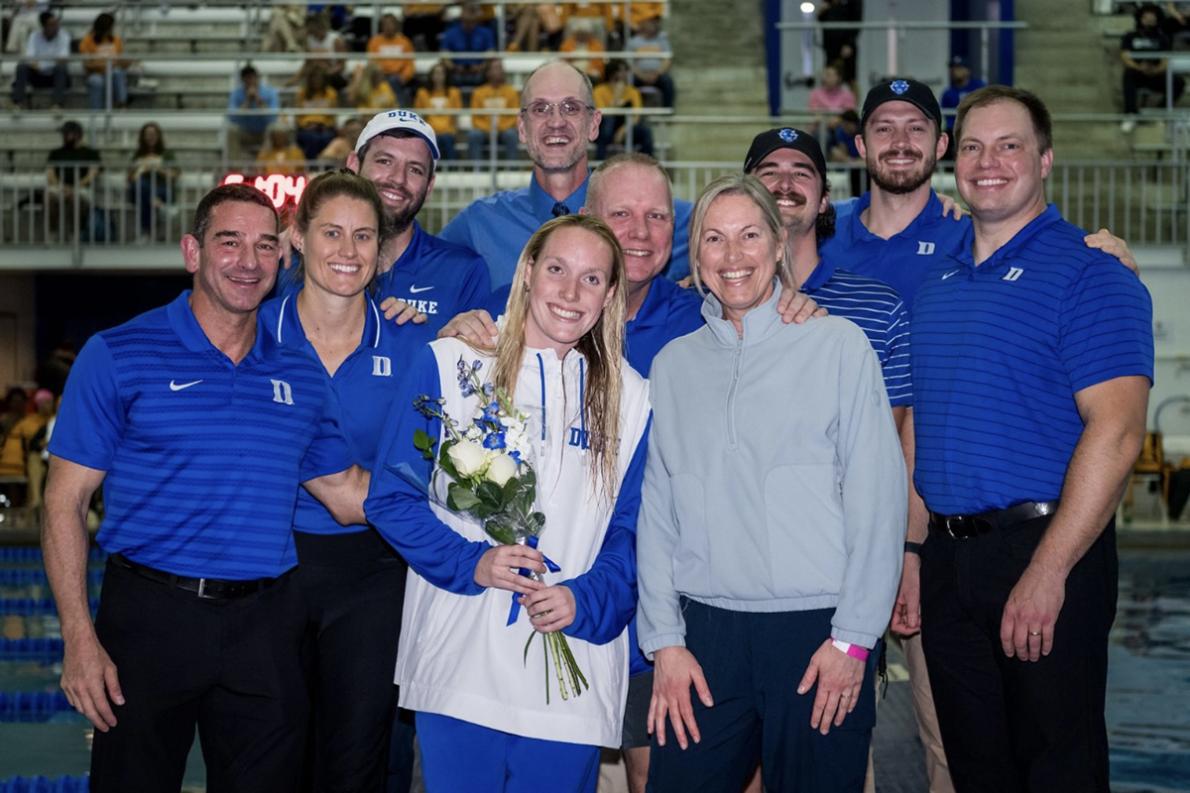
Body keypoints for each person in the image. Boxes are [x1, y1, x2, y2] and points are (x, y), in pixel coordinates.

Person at [42, 183, 369, 792]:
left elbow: (347, 494)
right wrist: (79, 638)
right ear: (192, 252)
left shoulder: (298, 372)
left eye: (265, 245)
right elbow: (64, 501)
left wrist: (457, 491)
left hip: (266, 623)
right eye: (230, 242)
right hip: (149, 616)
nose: (249, 261)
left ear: (282, 258)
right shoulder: (118, 353)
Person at [913, 85, 1153, 793]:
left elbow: (1118, 431)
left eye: (1009, 146)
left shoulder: (1092, 272)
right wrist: (916, 554)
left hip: (1046, 548)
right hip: (949, 560)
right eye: (973, 146)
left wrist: (1049, 571)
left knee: (1057, 771)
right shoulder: (937, 282)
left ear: (1045, 160)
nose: (988, 162)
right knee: (977, 771)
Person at [365, 213, 652, 792]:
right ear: (527, 273)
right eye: (556, 270)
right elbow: (391, 498)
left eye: (592, 279)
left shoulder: (633, 398)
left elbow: (634, 533)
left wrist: (584, 598)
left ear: (610, 296)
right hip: (460, 661)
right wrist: (471, 561)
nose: (571, 293)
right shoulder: (452, 363)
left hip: (569, 674)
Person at [638, 173, 906, 792]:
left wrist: (853, 641)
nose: (732, 255)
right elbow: (658, 515)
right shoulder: (674, 366)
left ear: (779, 245)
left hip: (818, 633)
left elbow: (879, 503)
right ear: (695, 257)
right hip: (704, 637)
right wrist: (665, 641)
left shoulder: (839, 346)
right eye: (714, 239)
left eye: (750, 235)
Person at [258, 170, 430, 793]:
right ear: (297, 237)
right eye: (331, 232)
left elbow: (428, 466)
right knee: (270, 756)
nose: (347, 251)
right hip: (268, 570)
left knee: (355, 761)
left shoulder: (412, 345)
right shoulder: (253, 334)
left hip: (372, 574)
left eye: (363, 236)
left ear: (381, 252)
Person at [439, 60, 692, 287]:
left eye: (571, 108)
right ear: (522, 128)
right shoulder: (480, 223)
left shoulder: (671, 223)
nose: (556, 122)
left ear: (594, 124)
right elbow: (423, 274)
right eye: (540, 109)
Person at [1120, 2, 1186, 132]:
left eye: (1152, 17)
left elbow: (1165, 60)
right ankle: (1131, 114)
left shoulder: (1163, 38)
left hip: (1156, 74)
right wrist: (1139, 67)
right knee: (1128, 74)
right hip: (1137, 72)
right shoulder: (1130, 36)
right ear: (1140, 18)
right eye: (1146, 16)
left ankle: (1160, 113)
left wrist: (1155, 70)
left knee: (1178, 82)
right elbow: (1125, 57)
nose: (1149, 19)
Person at [46, 121, 101, 242]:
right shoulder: (55, 153)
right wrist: (61, 186)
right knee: (48, 197)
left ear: (77, 134)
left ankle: (75, 234)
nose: (64, 136)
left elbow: (92, 174)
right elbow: (50, 174)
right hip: (60, 188)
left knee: (75, 198)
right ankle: (51, 233)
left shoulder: (91, 153)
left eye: (67, 133)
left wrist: (74, 187)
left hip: (82, 189)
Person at [127, 122, 178, 242]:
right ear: (143, 137)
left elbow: (174, 175)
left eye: (153, 134)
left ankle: (146, 233)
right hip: (141, 189)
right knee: (141, 186)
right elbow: (130, 178)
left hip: (162, 189)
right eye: (148, 134)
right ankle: (157, 204)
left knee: (145, 197)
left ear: (158, 136)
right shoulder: (137, 154)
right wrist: (142, 168)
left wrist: (158, 168)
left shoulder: (166, 154)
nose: (151, 137)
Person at [594, 59, 654, 160]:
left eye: (625, 71)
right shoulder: (599, 91)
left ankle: (647, 164)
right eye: (621, 71)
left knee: (645, 132)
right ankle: (599, 162)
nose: (624, 74)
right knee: (608, 123)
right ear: (612, 73)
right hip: (605, 128)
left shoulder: (633, 91)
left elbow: (636, 116)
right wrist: (616, 97)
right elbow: (602, 114)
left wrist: (623, 131)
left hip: (627, 127)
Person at [12, 10, 69, 110]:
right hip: (38, 75)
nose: (56, 27)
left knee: (61, 68)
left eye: (56, 24)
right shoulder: (34, 36)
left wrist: (41, 65)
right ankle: (18, 103)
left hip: (54, 75)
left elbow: (62, 59)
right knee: (21, 67)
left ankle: (57, 105)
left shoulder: (64, 36)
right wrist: (42, 65)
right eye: (52, 25)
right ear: (44, 26)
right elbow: (30, 58)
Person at [468, 59, 521, 161]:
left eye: (501, 68)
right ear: (488, 72)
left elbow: (514, 117)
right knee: (474, 135)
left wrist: (499, 128)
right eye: (496, 68)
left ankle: (512, 168)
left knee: (511, 135)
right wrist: (489, 129)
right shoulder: (478, 92)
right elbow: (475, 118)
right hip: (484, 131)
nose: (500, 71)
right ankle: (476, 169)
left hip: (504, 131)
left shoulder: (511, 92)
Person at [228, 65, 281, 164]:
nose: (250, 81)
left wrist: (258, 100)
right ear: (243, 80)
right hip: (245, 132)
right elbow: (232, 118)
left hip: (264, 132)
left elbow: (273, 117)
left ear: (257, 78)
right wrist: (247, 101)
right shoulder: (236, 94)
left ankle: (269, 166)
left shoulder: (270, 92)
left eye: (252, 78)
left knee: (275, 129)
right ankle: (234, 167)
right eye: (247, 78)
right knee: (232, 130)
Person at [78, 12, 128, 110]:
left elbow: (120, 60)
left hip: (112, 73)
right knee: (96, 81)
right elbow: (87, 64)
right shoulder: (87, 41)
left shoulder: (116, 40)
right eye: (110, 27)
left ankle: (122, 104)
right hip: (95, 73)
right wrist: (105, 64)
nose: (111, 30)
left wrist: (124, 63)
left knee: (118, 73)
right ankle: (96, 112)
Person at [414, 61, 463, 160]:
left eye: (441, 73)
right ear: (431, 76)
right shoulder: (422, 93)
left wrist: (456, 132)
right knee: (432, 140)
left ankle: (451, 168)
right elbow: (419, 116)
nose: (438, 76)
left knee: (446, 139)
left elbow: (456, 115)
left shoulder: (454, 92)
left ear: (446, 76)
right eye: (436, 73)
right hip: (430, 131)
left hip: (448, 131)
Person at [441, 1, 495, 87]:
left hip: (479, 71)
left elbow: (490, 52)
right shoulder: (451, 33)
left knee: (493, 67)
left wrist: (482, 66)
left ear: (477, 17)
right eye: (467, 11)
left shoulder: (486, 33)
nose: (469, 22)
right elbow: (444, 54)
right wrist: (454, 67)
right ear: (461, 16)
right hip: (456, 71)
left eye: (472, 12)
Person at [367, 13, 416, 106]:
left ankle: (398, 108)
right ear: (381, 26)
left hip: (398, 76)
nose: (388, 27)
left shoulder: (404, 42)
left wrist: (404, 77)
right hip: (380, 76)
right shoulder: (375, 41)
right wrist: (378, 75)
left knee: (394, 81)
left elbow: (410, 64)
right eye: (385, 24)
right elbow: (372, 61)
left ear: (396, 25)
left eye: (390, 24)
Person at [295, 65, 341, 160]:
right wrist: (305, 125)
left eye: (319, 78)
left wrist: (325, 125)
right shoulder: (302, 93)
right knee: (311, 139)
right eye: (314, 78)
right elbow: (298, 116)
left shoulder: (331, 93)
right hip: (307, 128)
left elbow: (333, 115)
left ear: (324, 80)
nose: (316, 81)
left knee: (326, 138)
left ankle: (325, 165)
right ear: (310, 80)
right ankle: (312, 165)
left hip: (325, 128)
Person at [626, 15, 673, 107]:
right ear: (643, 24)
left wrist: (657, 73)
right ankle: (633, 111)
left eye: (656, 22)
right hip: (638, 75)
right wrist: (641, 75)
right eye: (652, 22)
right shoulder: (633, 42)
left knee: (667, 81)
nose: (655, 24)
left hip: (657, 74)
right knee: (629, 82)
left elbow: (667, 60)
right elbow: (629, 62)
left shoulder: (662, 41)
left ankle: (667, 111)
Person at [939, 55, 986, 138]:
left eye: (959, 68)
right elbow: (948, 119)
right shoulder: (948, 93)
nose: (955, 71)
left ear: (967, 70)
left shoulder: (979, 87)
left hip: (979, 128)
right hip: (955, 132)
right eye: (953, 68)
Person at [559, 19, 606, 83]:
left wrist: (589, 71)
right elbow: (563, 61)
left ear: (589, 34)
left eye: (584, 33)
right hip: (571, 72)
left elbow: (599, 63)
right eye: (580, 33)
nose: (582, 35)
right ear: (575, 33)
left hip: (590, 73)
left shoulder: (596, 45)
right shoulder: (567, 44)